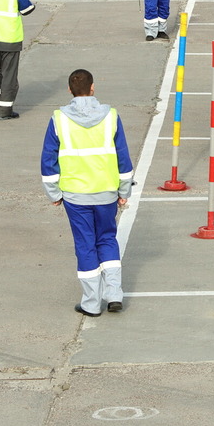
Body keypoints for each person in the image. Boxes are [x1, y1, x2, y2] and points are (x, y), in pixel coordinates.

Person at [41, 69, 134, 317]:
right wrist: (124, 190)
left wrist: (54, 194)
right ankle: (114, 294)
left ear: (70, 91)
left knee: (85, 245)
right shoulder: (111, 117)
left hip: (75, 195)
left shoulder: (58, 119)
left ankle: (91, 304)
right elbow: (123, 157)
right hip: (106, 192)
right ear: (93, 88)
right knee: (107, 239)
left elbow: (48, 160)